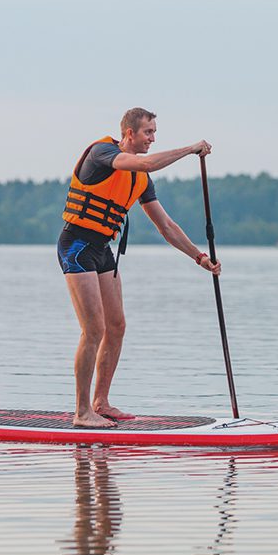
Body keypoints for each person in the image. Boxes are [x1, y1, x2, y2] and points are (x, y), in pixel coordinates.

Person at [57, 107, 221, 428]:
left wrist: (199, 258)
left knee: (116, 327)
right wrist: (190, 149)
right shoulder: (103, 152)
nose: (153, 138)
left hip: (103, 251)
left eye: (155, 133)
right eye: (148, 132)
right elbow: (145, 162)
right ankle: (81, 412)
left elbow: (167, 226)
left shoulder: (140, 180)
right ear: (129, 133)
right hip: (76, 246)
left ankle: (100, 402)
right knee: (94, 329)